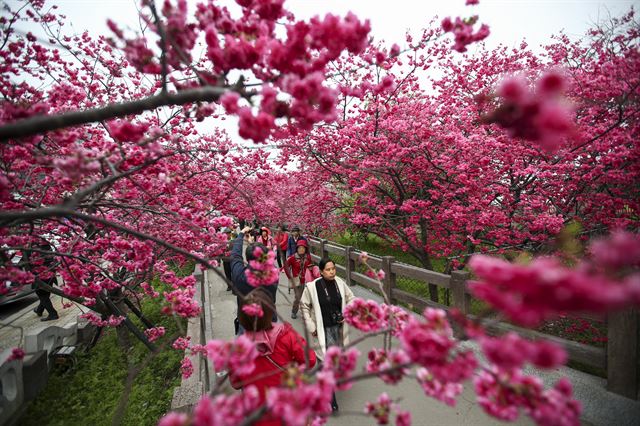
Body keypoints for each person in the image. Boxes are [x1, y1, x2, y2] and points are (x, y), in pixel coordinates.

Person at [230, 287, 316, 426]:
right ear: (271, 312)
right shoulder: (287, 336)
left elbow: (236, 383)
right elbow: (310, 360)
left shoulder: (238, 349)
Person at [300, 257, 355, 412]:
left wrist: (346, 312)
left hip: (338, 329)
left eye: (333, 269)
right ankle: (331, 396)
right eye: (328, 270)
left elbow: (352, 299)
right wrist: (311, 326)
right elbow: (303, 306)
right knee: (325, 362)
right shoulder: (312, 287)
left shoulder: (340, 283)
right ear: (321, 272)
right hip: (322, 330)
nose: (332, 272)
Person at [230, 226, 279, 334]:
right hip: (269, 320)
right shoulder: (273, 274)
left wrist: (241, 235)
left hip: (247, 323)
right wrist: (252, 245)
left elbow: (235, 256)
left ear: (247, 259)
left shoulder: (240, 276)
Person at [284, 239, 315, 319]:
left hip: (307, 281)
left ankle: (307, 312)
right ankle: (294, 311)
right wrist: (289, 277)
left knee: (308, 297)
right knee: (298, 297)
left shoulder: (308, 257)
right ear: (297, 249)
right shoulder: (292, 258)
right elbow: (286, 267)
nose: (301, 249)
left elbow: (311, 267)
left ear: (305, 249)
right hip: (297, 281)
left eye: (303, 248)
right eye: (299, 248)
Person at [30, 242, 59, 321]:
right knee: (45, 295)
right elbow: (53, 260)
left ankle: (53, 314)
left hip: (40, 276)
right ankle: (39, 310)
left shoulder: (32, 247)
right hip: (50, 275)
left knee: (42, 295)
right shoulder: (47, 246)